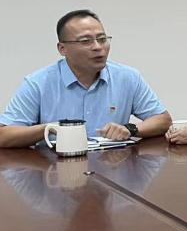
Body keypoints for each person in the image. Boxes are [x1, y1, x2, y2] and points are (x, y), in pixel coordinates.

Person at [0, 9, 170, 147]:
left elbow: (162, 119)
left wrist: (130, 129)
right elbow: (4, 135)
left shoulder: (127, 77)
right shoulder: (38, 83)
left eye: (102, 39)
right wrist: (49, 128)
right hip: (55, 169)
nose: (98, 47)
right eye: (86, 41)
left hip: (112, 166)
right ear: (62, 49)